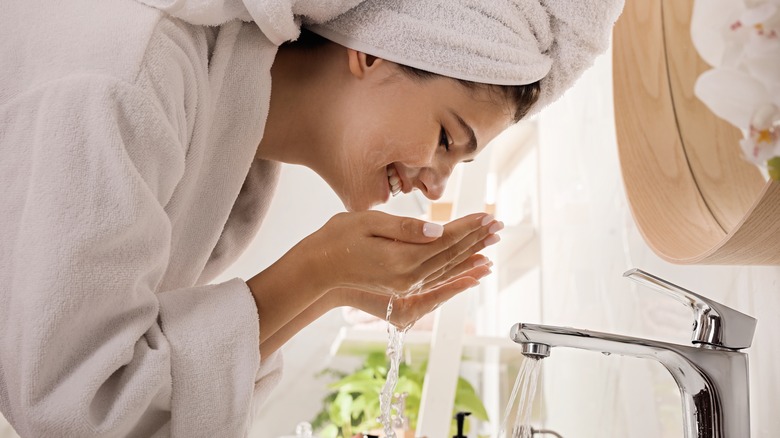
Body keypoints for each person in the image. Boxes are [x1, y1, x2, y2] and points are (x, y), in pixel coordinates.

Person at [0, 0, 623, 436]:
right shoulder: (132, 77)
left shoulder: (239, 158)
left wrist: (328, 290)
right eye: (445, 138)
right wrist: (314, 271)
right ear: (376, 55)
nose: (435, 183)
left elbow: (129, 392)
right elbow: (72, 403)